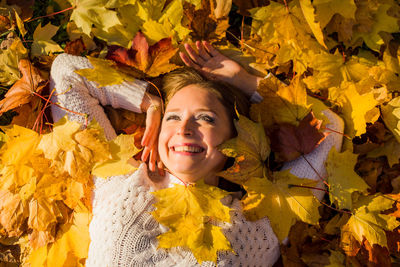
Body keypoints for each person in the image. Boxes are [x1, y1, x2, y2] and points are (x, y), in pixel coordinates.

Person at [49, 41, 344, 266]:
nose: (184, 128)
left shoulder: (260, 225)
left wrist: (246, 82)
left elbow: (330, 128)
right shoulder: (116, 180)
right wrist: (150, 103)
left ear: (236, 138)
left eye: (206, 118)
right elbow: (67, 72)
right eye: (173, 117)